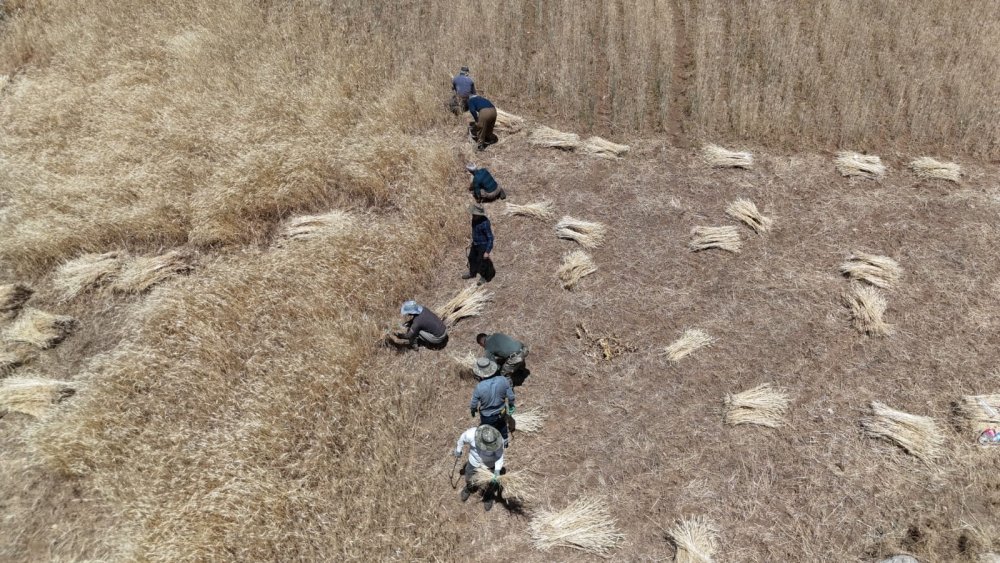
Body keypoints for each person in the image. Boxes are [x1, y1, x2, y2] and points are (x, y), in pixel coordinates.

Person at [453, 424, 505, 511]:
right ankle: (469, 487)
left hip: (489, 464)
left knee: (491, 482)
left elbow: (499, 456)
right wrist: (458, 450)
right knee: (469, 476)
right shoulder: (470, 434)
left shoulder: (499, 441)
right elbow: (461, 439)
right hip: (474, 461)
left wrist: (497, 470)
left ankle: (488, 495)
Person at [469, 357, 514, 447]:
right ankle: (505, 442)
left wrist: (473, 410)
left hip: (487, 416)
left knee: (488, 431)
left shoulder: (479, 387)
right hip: (502, 411)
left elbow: (474, 402)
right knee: (502, 426)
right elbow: (511, 396)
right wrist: (511, 405)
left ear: (480, 373)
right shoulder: (503, 380)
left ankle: (493, 446)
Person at [463, 204, 495, 285]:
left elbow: (490, 238)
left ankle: (483, 277)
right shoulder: (474, 220)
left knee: (482, 262)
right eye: (473, 214)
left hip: (483, 245)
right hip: (475, 243)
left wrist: (487, 251)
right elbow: (475, 232)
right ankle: (472, 273)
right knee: (471, 258)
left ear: (479, 215)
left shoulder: (485, 223)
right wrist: (472, 241)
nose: (473, 216)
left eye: (475, 214)